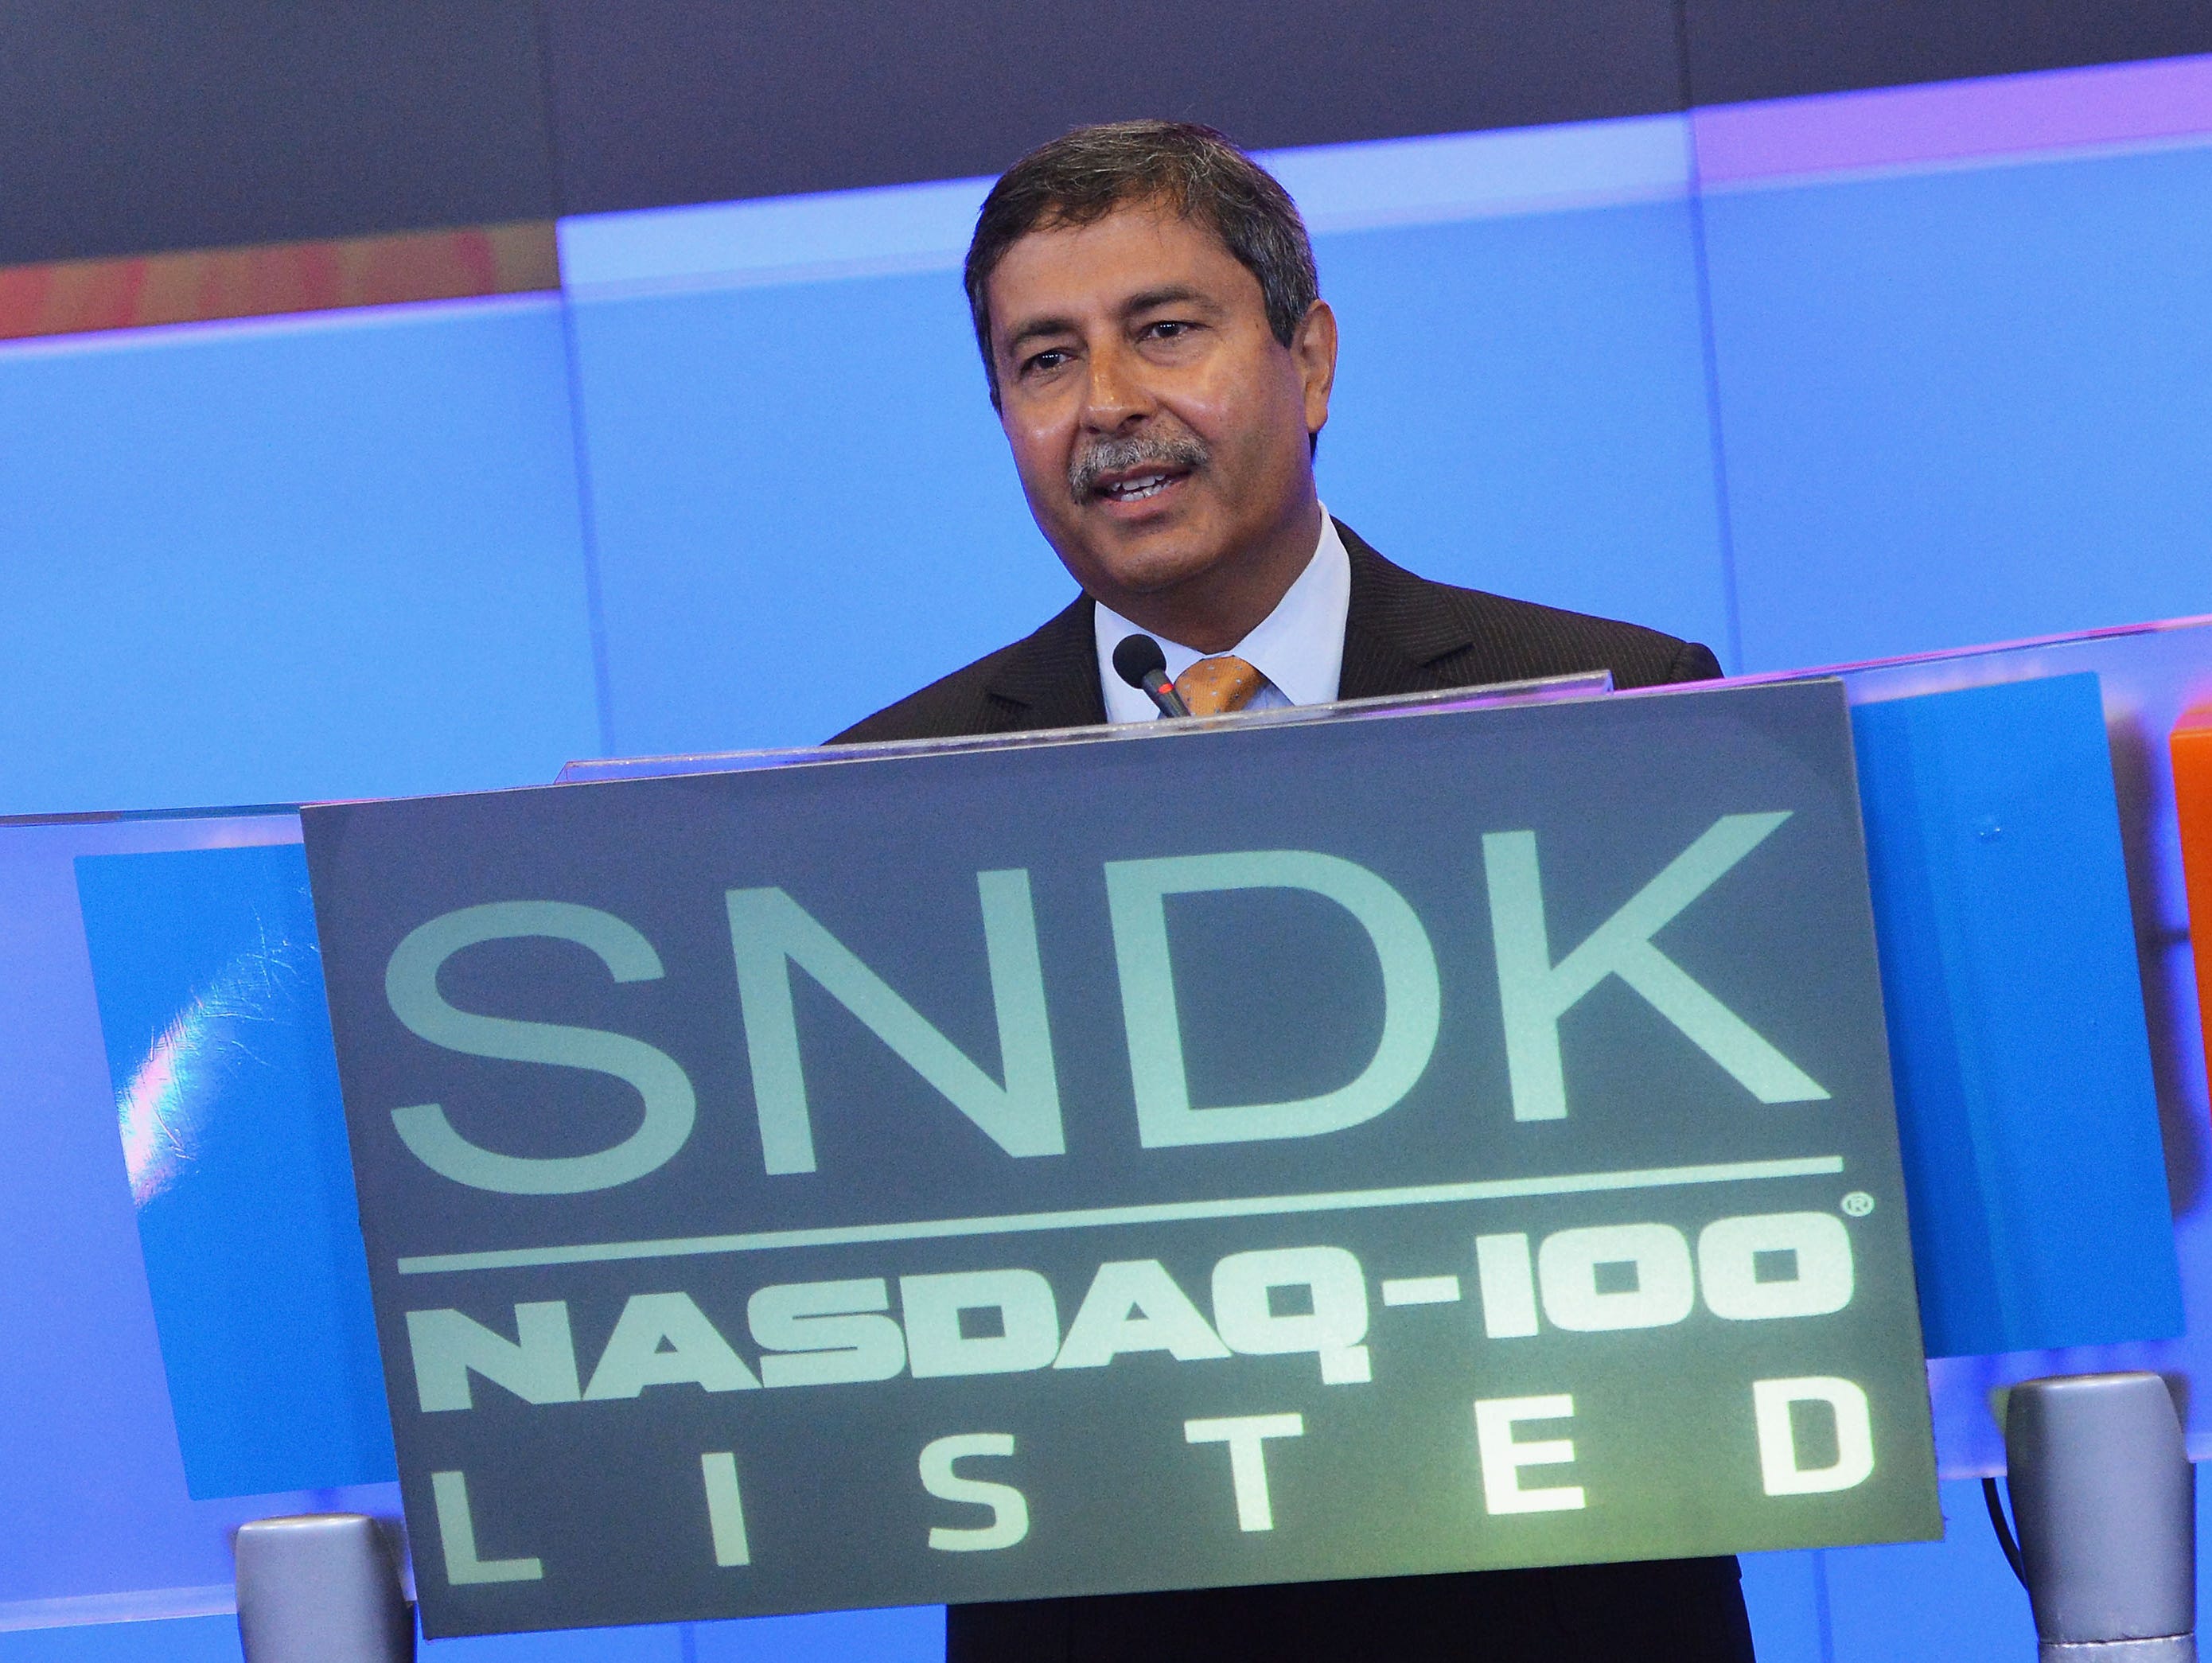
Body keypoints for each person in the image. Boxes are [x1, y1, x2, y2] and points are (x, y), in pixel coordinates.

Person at [836, 120, 1749, 1663]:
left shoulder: (1605, 707)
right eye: (1044, 360)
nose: (1108, 403)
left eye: (1165, 331)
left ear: (1308, 361)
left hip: (1552, 1594)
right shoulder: (882, 800)